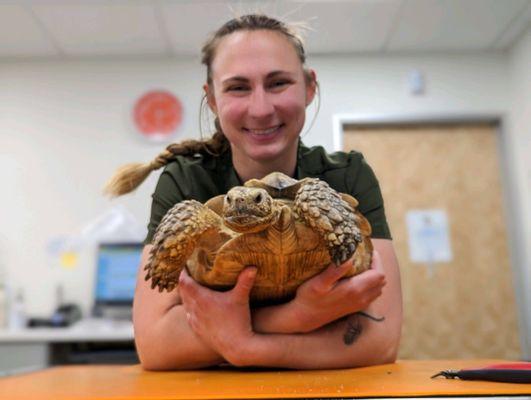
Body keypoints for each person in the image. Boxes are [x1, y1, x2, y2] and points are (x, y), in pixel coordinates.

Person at [105, 14, 402, 370]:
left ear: (309, 87)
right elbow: (156, 346)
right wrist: (299, 315)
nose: (261, 109)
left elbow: (380, 340)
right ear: (212, 99)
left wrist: (243, 344)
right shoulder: (188, 181)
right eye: (238, 87)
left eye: (278, 83)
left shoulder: (346, 176)